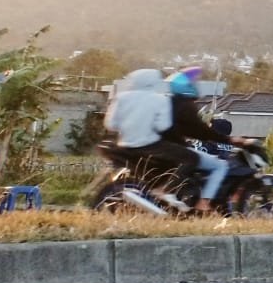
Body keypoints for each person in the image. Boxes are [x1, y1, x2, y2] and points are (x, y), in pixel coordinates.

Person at [103, 68, 210, 211]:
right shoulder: (159, 99)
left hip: (124, 144)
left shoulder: (121, 97)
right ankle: (166, 190)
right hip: (150, 145)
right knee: (191, 158)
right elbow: (163, 125)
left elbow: (110, 124)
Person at [161, 68, 249, 213]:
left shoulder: (168, 104)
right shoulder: (185, 107)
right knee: (217, 167)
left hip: (166, 149)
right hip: (178, 153)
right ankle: (202, 203)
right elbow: (199, 132)